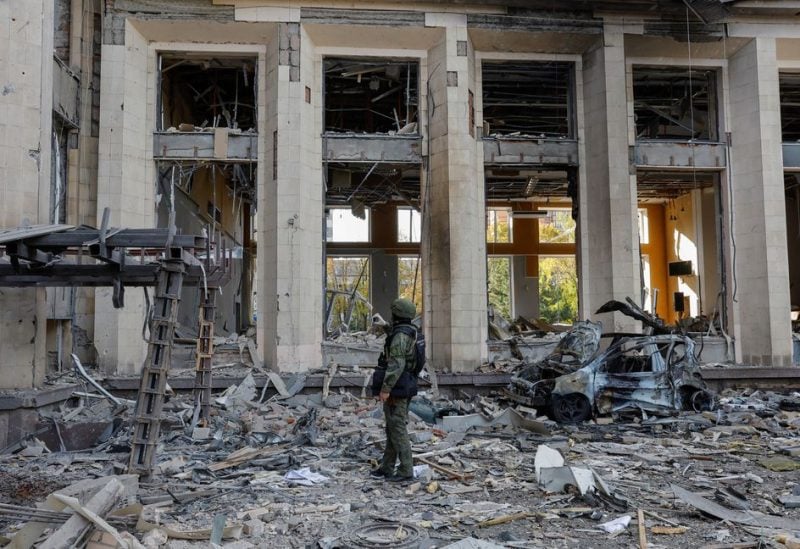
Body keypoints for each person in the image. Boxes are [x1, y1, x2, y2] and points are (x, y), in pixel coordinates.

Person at [370, 297, 418, 482]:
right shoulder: (409, 331)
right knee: (392, 427)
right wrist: (384, 326)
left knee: (397, 428)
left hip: (397, 387)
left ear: (397, 314)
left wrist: (386, 388)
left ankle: (406, 470)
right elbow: (398, 338)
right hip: (405, 384)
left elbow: (396, 364)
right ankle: (387, 467)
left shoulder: (400, 337)